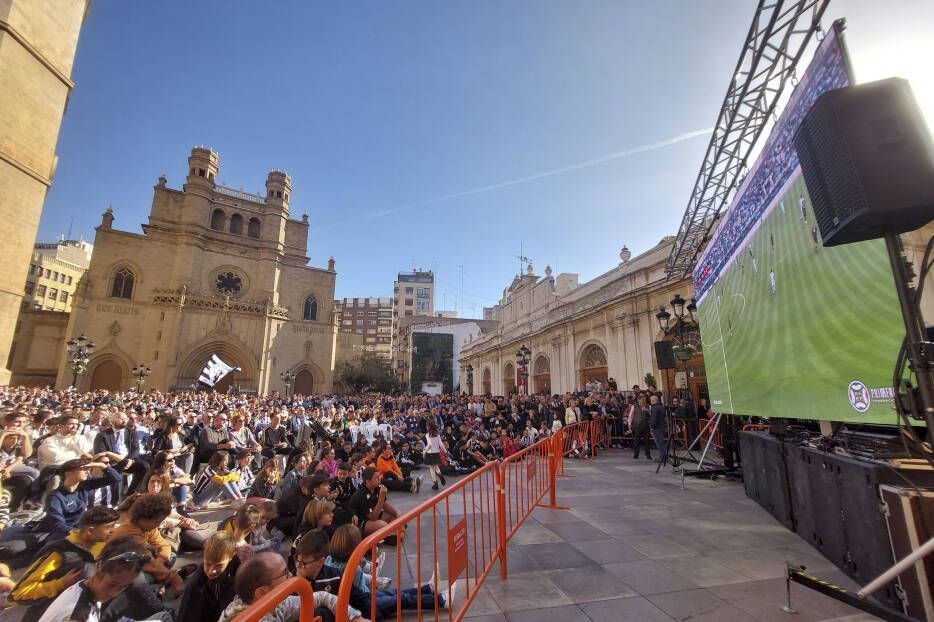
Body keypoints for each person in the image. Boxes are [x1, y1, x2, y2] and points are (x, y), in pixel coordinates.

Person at [10, 506, 119, 622]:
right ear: (90, 531)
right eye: (109, 527)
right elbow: (19, 593)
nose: (114, 530)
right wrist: (60, 584)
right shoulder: (58, 553)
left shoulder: (96, 546)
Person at [217, 551, 367, 622]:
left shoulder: (275, 603)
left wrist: (356, 618)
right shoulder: (251, 618)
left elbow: (321, 596)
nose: (291, 576)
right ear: (261, 592)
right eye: (284, 573)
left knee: (323, 612)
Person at [36, 536, 150, 622]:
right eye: (112, 584)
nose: (113, 593)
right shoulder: (79, 615)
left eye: (123, 587)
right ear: (99, 571)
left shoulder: (84, 586)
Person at [176, 532, 240, 622]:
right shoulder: (195, 586)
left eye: (219, 565)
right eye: (208, 564)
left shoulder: (238, 567)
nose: (211, 571)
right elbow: (186, 615)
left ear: (232, 555)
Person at [348, 467, 400, 540]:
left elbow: (385, 506)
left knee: (394, 516)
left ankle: (393, 534)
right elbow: (373, 517)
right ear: (368, 481)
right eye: (376, 478)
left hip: (373, 515)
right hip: (362, 521)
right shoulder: (361, 494)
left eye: (379, 477)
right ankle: (390, 536)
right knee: (382, 525)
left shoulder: (377, 488)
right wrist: (381, 497)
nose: (379, 479)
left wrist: (397, 514)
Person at [422, 423, 446, 491]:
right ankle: (440, 474)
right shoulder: (437, 435)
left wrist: (424, 450)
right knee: (435, 466)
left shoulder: (428, 435)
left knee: (432, 469)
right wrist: (445, 451)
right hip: (436, 452)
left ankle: (435, 483)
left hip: (430, 453)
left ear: (428, 427)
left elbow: (429, 444)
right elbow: (441, 444)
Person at [629, 394, 652, 460]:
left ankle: (648, 455)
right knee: (636, 440)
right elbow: (631, 415)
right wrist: (629, 424)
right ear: (639, 400)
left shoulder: (648, 406)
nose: (644, 401)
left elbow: (652, 415)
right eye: (643, 400)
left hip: (646, 425)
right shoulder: (634, 406)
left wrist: (648, 411)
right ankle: (636, 454)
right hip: (637, 425)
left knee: (647, 441)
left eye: (645, 400)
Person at [649, 395, 668, 461]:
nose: (650, 402)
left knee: (659, 443)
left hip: (657, 428)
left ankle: (662, 457)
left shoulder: (654, 408)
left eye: (651, 400)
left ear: (654, 401)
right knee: (662, 442)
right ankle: (663, 456)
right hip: (662, 427)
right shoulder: (661, 407)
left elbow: (654, 418)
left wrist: (652, 427)